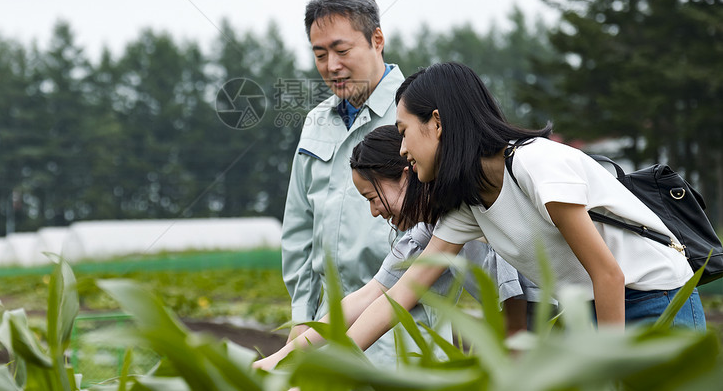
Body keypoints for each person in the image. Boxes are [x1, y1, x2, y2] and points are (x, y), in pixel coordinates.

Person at [276, 62, 705, 359]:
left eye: (405, 132)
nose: (402, 149)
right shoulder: (469, 205)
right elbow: (399, 296)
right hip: (594, 308)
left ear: (438, 124)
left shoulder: (537, 165)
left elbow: (608, 273)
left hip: (655, 300)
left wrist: (606, 364)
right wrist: (323, 364)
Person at [255, 125, 536, 370]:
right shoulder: (429, 231)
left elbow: (518, 324)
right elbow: (368, 297)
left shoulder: (479, 213)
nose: (374, 211)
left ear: (405, 174)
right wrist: (279, 359)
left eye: (372, 197)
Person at [281, 0, 412, 365]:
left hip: (402, 323)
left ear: (376, 40)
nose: (331, 65)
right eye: (320, 54)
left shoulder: (416, 115)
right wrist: (303, 315)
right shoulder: (316, 122)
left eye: (341, 50)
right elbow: (299, 227)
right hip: (327, 323)